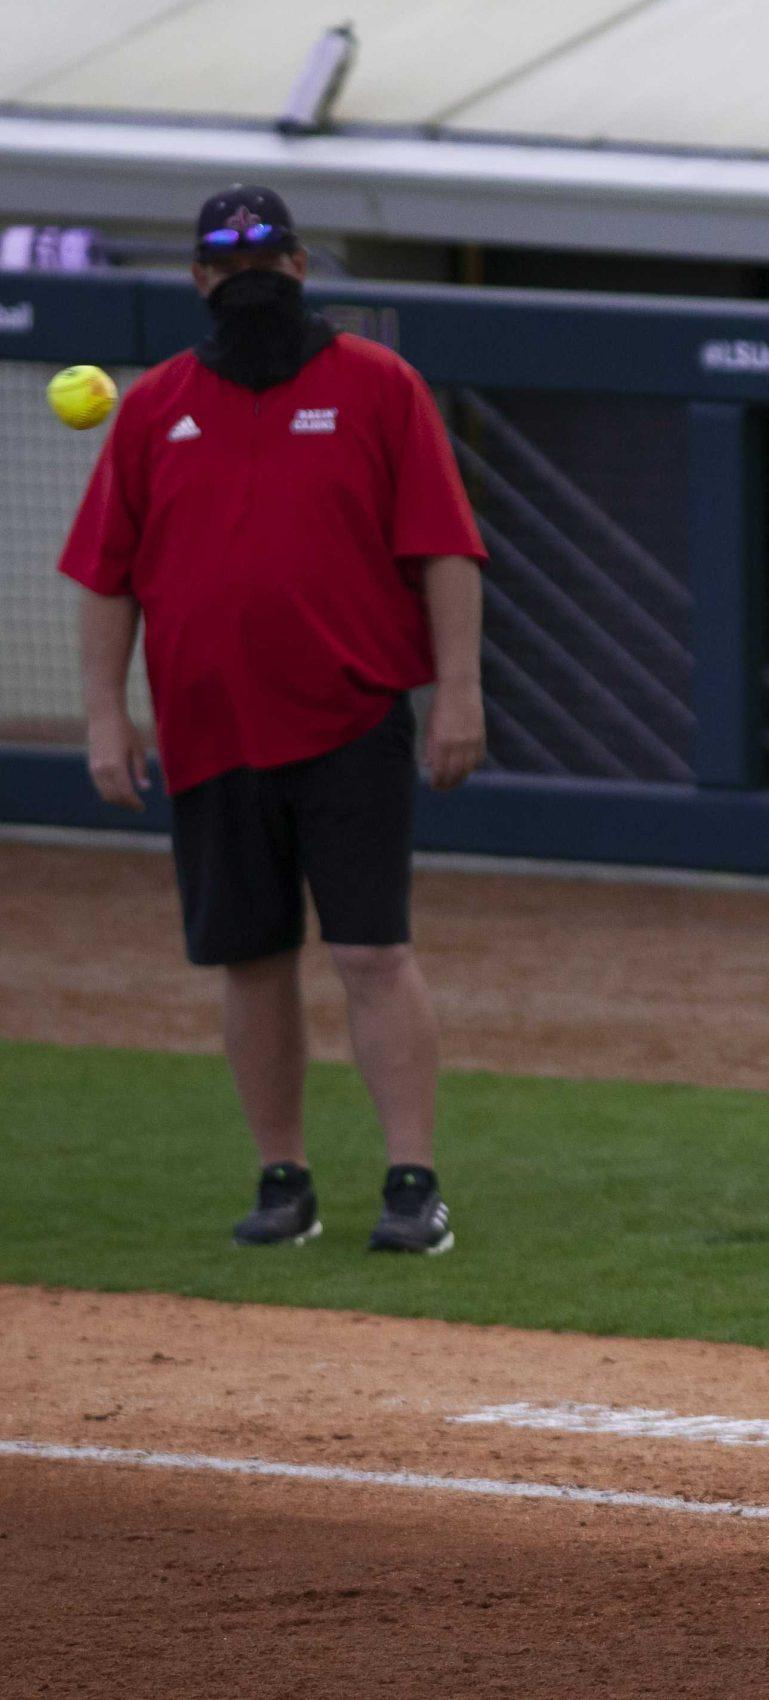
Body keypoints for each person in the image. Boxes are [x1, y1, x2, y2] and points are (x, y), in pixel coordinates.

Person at [58, 184, 487, 1255]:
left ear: (298, 268)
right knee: (247, 956)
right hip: (209, 729)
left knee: (370, 950)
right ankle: (283, 1177)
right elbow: (105, 578)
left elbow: (445, 547)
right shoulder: (156, 407)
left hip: (350, 717)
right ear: (201, 280)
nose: (248, 275)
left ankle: (412, 1180)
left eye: (267, 256)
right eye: (225, 260)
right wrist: (107, 718)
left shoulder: (377, 385)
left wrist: (459, 693)